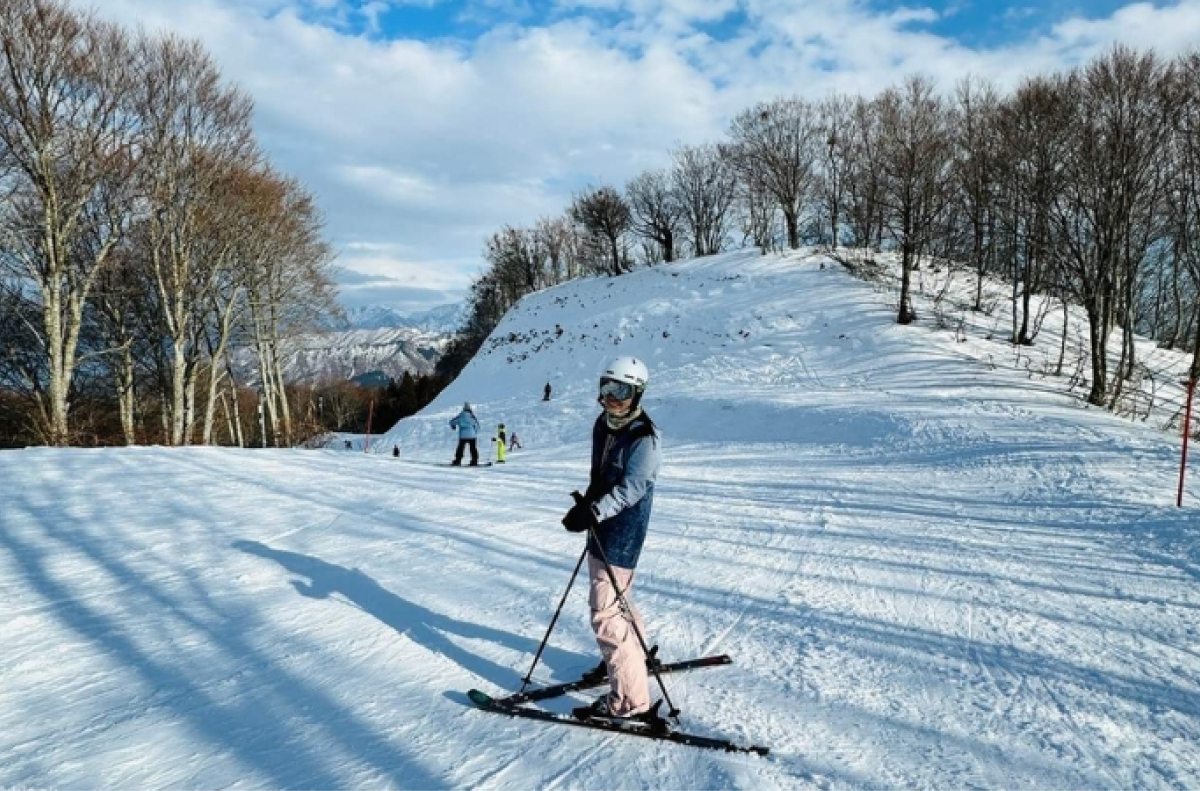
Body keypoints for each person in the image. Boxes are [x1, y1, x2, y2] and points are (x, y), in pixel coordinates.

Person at [561, 356, 661, 723]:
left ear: (637, 394)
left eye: (620, 391)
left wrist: (596, 511)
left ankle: (631, 703)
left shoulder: (644, 438)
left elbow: (634, 487)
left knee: (605, 613)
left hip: (622, 530)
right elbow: (599, 474)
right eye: (605, 387)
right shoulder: (603, 425)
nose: (610, 398)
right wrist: (587, 504)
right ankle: (635, 656)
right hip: (602, 523)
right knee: (618, 599)